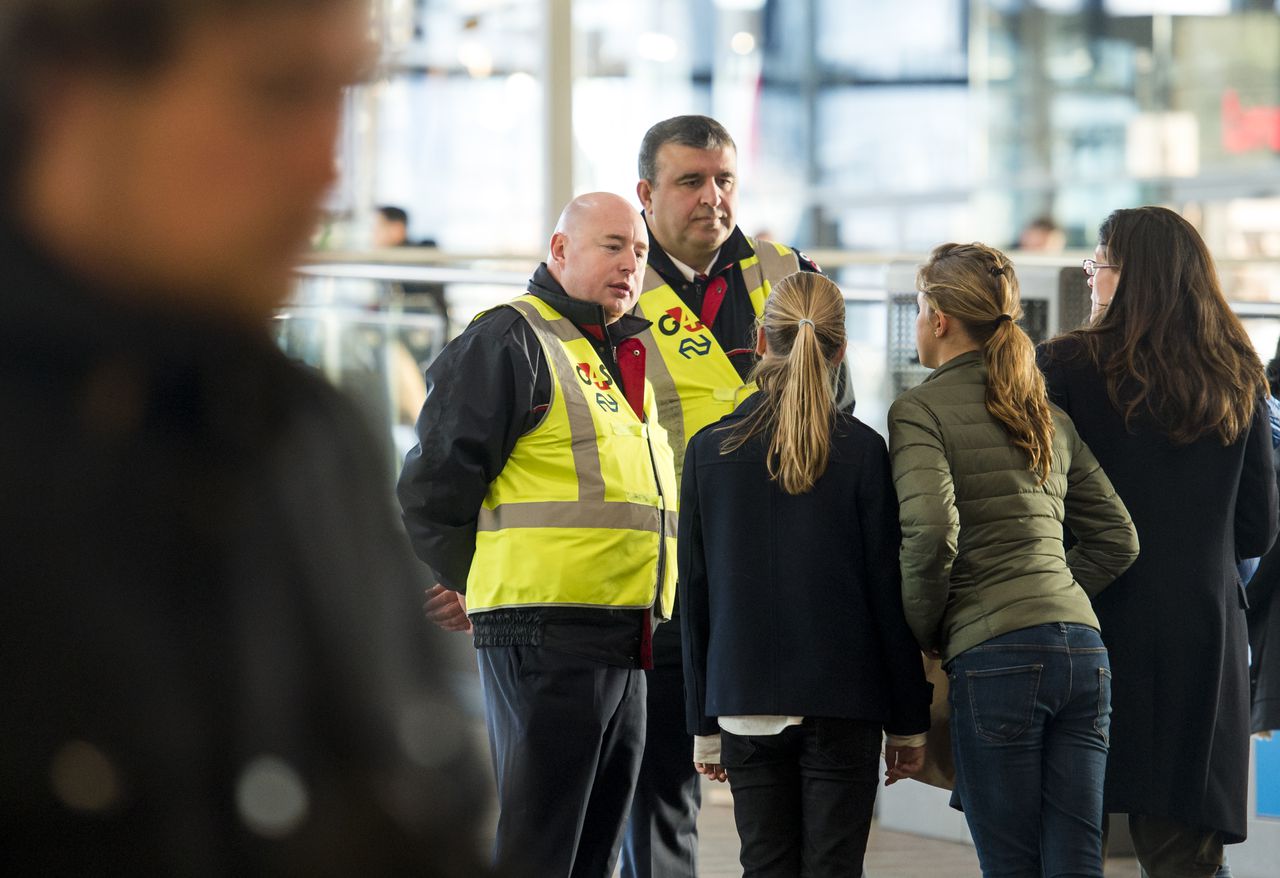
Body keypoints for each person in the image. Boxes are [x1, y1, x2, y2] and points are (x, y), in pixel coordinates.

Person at [0, 0, 489, 873]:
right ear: (71, 92)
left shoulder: (307, 438)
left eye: (341, 97)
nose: (324, 168)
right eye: (277, 93)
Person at [396, 192, 677, 878]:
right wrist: (475, 581)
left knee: (595, 851)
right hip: (545, 636)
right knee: (543, 848)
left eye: (640, 251)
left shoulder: (615, 356)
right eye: (613, 245)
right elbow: (433, 485)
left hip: (625, 634)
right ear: (560, 250)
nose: (631, 264)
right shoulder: (511, 338)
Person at [1039, 207, 1279, 878]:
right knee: (1183, 850)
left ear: (1131, 276)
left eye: (1099, 264)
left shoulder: (1064, 365)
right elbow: (1258, 525)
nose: (1091, 277)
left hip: (1087, 615)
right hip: (1199, 633)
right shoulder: (1236, 371)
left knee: (1065, 833)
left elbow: (1038, 504)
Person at [889, 243, 1140, 877]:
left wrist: (926, 629)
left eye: (919, 310)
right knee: (1077, 862)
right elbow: (1118, 538)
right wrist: (1048, 593)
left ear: (940, 319)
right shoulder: (1045, 415)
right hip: (1084, 653)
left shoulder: (919, 410)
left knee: (1011, 863)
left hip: (996, 656)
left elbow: (932, 533)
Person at [621, 114, 822, 878]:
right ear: (646, 193)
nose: (712, 197)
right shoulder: (614, 284)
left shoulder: (783, 272)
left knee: (779, 791)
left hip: (773, 570)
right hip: (667, 570)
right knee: (660, 785)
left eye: (724, 180)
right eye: (691, 181)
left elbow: (833, 407)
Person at [679, 271, 931, 877]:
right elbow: (887, 594)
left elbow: (697, 599)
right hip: (845, 699)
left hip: (743, 696)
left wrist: (703, 726)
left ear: (760, 340)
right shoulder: (864, 452)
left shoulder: (708, 451)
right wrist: (908, 722)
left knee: (764, 866)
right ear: (839, 351)